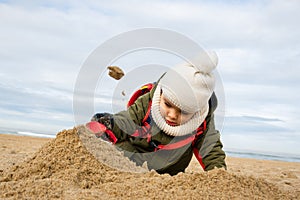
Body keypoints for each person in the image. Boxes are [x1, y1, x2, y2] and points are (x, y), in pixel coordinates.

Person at [88, 51, 227, 175]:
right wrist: (106, 124)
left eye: (184, 111)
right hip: (132, 159)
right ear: (161, 94)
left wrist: (218, 174)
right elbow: (126, 120)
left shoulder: (202, 121)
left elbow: (210, 148)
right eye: (168, 105)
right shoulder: (147, 104)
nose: (172, 115)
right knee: (121, 150)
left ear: (197, 111)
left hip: (170, 171)